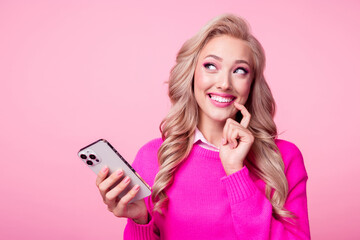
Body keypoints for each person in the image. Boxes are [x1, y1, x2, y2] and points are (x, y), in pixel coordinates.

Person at [95, 14, 310, 239]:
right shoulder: (153, 158)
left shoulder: (283, 158)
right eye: (211, 66)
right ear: (192, 75)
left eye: (240, 70)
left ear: (252, 84)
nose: (225, 83)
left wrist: (236, 172)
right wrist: (141, 220)